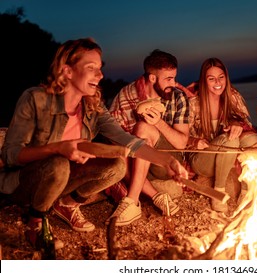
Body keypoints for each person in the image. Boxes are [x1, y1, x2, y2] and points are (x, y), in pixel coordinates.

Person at [0, 38, 188, 250]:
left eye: (100, 69)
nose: (100, 75)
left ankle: (67, 204)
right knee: (59, 165)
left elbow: (128, 141)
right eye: (91, 68)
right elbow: (11, 154)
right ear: (67, 71)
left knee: (116, 166)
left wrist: (167, 160)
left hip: (65, 179)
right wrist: (57, 148)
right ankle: (35, 221)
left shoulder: (92, 106)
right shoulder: (35, 99)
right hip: (27, 183)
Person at [107, 49, 189, 225]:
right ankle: (157, 196)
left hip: (167, 162)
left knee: (143, 127)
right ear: (152, 78)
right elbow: (115, 139)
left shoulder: (178, 96)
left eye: (174, 77)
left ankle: (131, 201)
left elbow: (182, 143)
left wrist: (158, 123)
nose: (174, 83)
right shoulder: (126, 95)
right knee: (119, 154)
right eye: (168, 79)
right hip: (137, 163)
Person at [186, 58, 257, 212]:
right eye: (211, 79)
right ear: (204, 81)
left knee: (252, 139)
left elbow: (248, 125)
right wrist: (194, 141)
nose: (217, 82)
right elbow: (181, 137)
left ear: (226, 77)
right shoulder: (194, 103)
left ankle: (247, 190)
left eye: (221, 77)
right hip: (202, 158)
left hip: (226, 155)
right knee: (231, 141)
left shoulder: (232, 96)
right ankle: (218, 192)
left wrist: (236, 123)